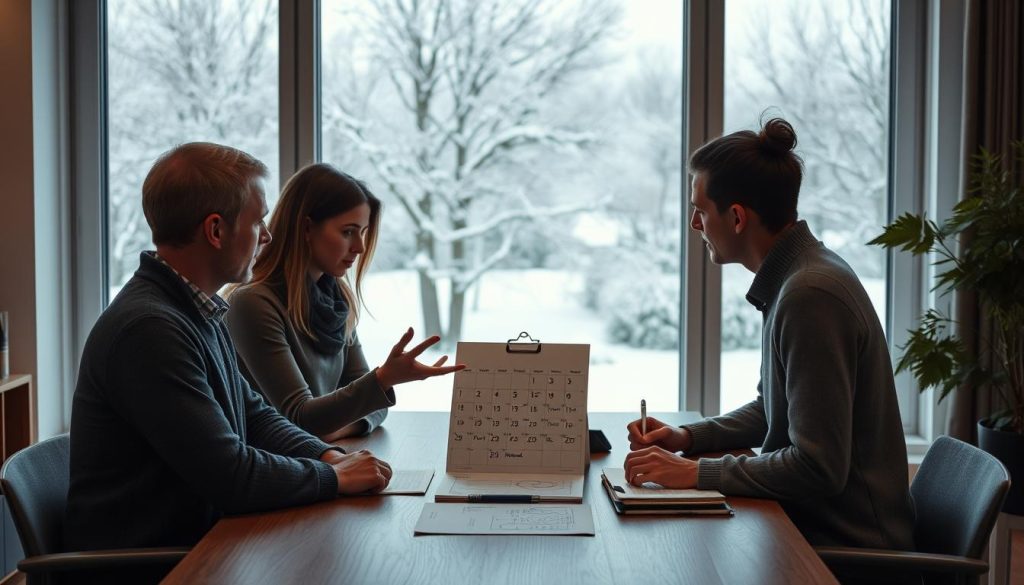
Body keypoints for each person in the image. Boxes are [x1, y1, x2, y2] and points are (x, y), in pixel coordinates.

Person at [64, 143, 403, 582]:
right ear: (216, 230)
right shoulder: (150, 329)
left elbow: (255, 416)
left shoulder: (194, 312)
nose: (266, 235)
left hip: (204, 543)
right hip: (158, 565)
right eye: (258, 220)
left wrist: (328, 455)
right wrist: (333, 478)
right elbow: (232, 475)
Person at [624, 118, 915, 552]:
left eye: (701, 211)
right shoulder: (797, 277)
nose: (695, 225)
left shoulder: (809, 296)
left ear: (737, 217)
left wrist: (694, 473)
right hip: (805, 529)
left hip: (847, 552)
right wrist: (689, 438)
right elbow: (773, 409)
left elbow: (817, 468)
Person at [225, 163, 462, 440]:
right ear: (306, 228)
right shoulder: (252, 304)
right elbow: (301, 418)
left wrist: (337, 428)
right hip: (282, 473)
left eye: (362, 232)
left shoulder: (336, 302)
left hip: (324, 460)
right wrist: (383, 378)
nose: (360, 247)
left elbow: (375, 407)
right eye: (348, 232)